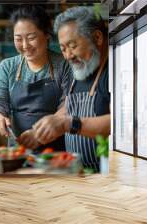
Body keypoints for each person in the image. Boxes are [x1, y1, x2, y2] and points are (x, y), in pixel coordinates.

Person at [0, 5, 72, 152]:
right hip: (19, 152)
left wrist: (40, 134)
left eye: (31, 38)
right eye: (18, 39)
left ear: (47, 35)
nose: (25, 45)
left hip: (58, 153)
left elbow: (69, 106)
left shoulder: (64, 66)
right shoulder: (7, 67)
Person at [33, 6, 110, 171]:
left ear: (97, 37)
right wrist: (43, 128)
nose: (68, 55)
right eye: (63, 48)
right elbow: (67, 109)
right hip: (78, 174)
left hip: (104, 176)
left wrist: (68, 124)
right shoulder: (81, 70)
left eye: (73, 46)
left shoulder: (115, 71)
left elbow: (121, 123)